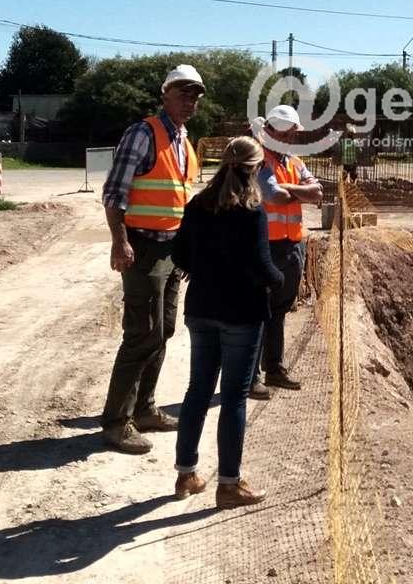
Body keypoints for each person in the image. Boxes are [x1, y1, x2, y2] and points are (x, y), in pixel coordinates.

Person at [171, 136, 283, 509]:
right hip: (241, 314)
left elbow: (179, 253)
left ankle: (186, 474)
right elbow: (263, 267)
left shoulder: (198, 205)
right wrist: (280, 281)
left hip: (201, 308)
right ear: (256, 168)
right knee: (234, 397)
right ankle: (229, 485)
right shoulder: (251, 212)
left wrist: (203, 270)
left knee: (198, 391)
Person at [99, 64, 204, 454]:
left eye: (195, 95)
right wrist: (119, 241)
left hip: (172, 249)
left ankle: (144, 409)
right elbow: (114, 193)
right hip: (142, 247)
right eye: (183, 93)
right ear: (165, 94)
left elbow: (180, 199)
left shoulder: (183, 141)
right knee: (141, 333)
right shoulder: (143, 134)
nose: (190, 101)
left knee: (164, 331)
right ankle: (116, 422)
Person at [254, 104, 323, 395]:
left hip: (293, 245)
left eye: (293, 134)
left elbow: (317, 193)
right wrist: (297, 190)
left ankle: (274, 369)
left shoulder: (293, 162)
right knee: (259, 310)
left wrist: (288, 188)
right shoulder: (259, 160)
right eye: (286, 134)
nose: (291, 139)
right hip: (264, 247)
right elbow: (273, 196)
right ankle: (251, 376)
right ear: (271, 131)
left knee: (280, 310)